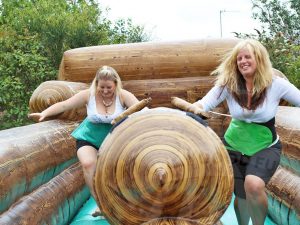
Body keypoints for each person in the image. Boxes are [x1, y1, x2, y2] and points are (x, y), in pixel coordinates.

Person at [190, 39, 300, 225]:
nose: (243, 61)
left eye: (247, 57)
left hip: (265, 147)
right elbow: (205, 103)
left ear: (259, 59)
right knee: (240, 196)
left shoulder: (276, 84)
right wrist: (195, 107)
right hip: (234, 147)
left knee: (254, 185)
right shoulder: (228, 84)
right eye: (239, 58)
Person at [29, 65, 139, 216]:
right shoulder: (89, 95)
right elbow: (65, 104)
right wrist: (44, 113)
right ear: (96, 84)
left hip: (115, 139)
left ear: (116, 84)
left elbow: (141, 109)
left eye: (109, 87)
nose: (105, 91)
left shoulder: (123, 95)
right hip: (89, 137)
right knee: (88, 164)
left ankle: (124, 201)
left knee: (116, 170)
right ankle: (101, 204)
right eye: (102, 87)